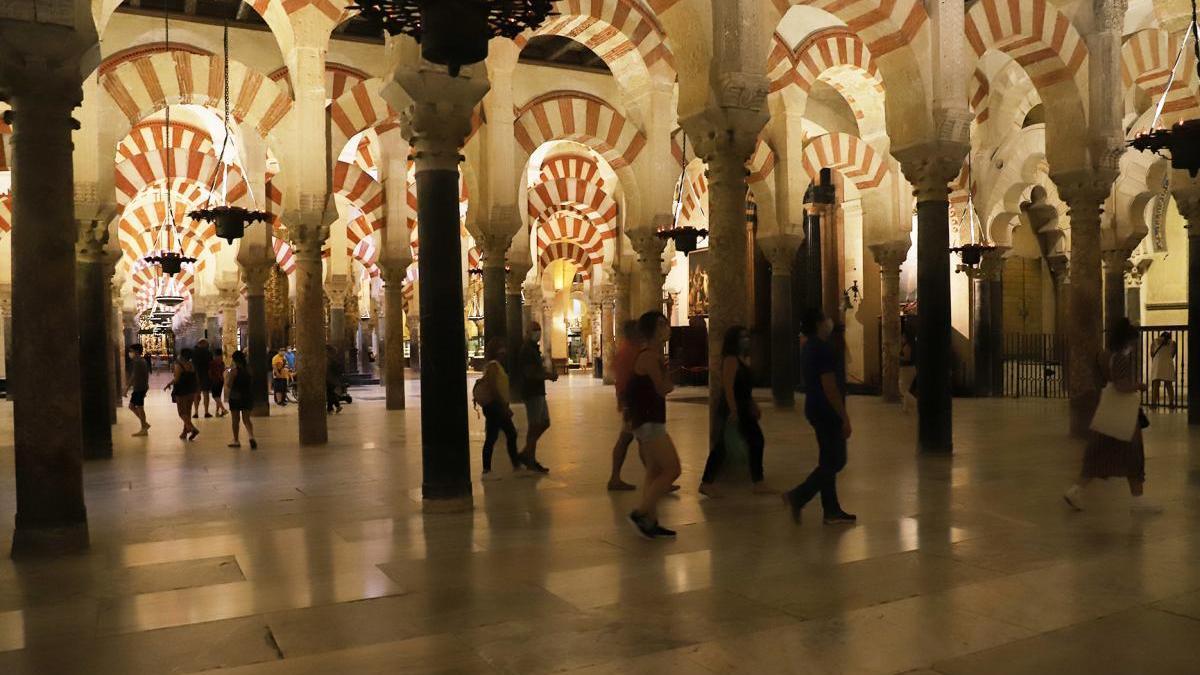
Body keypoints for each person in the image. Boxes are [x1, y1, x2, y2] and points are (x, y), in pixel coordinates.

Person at [1064, 318, 1162, 513]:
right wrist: (1138, 386)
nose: (1135, 345)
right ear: (1127, 339)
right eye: (1134, 341)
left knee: (1098, 455)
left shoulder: (1104, 355)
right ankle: (1138, 500)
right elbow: (1121, 385)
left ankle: (1076, 490)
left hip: (1107, 412)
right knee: (1133, 454)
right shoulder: (1121, 358)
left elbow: (1104, 381)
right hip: (1122, 414)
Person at [783, 309, 856, 525]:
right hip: (826, 410)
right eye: (824, 319)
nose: (828, 322)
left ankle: (831, 509)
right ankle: (798, 495)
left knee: (827, 460)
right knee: (837, 460)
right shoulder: (822, 348)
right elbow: (829, 385)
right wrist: (843, 416)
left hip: (814, 407)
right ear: (818, 324)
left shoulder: (808, 346)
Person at [700, 325, 770, 497]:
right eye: (742, 337)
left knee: (755, 441)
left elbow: (745, 388)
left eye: (747, 337)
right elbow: (728, 387)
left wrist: (752, 404)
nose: (746, 340)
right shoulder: (731, 360)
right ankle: (707, 482)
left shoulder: (742, 359)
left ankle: (758, 482)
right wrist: (733, 410)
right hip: (733, 407)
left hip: (744, 406)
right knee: (723, 446)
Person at [627, 311, 679, 540]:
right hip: (649, 422)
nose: (667, 328)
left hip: (648, 419)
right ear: (656, 329)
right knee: (672, 469)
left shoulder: (653, 355)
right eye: (663, 324)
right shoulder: (648, 356)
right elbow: (663, 388)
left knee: (654, 470)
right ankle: (641, 512)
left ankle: (651, 521)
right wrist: (669, 377)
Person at [477, 338, 520, 480]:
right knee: (495, 436)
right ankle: (487, 470)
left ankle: (516, 466)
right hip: (495, 407)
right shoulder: (494, 366)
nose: (505, 352)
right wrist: (503, 407)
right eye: (502, 349)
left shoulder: (496, 365)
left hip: (497, 407)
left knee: (507, 434)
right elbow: (494, 388)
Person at [518, 321, 557, 473]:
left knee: (545, 422)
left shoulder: (533, 349)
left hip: (539, 392)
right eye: (534, 329)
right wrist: (548, 376)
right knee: (534, 426)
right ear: (527, 332)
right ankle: (530, 460)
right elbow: (530, 374)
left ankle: (526, 453)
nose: (538, 332)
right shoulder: (527, 350)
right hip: (532, 393)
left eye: (539, 329)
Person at [607, 320, 641, 491]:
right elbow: (621, 380)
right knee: (626, 439)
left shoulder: (630, 349)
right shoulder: (628, 351)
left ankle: (658, 478)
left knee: (643, 440)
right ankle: (614, 478)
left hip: (634, 402)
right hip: (632, 402)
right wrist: (625, 403)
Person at [224, 350, 257, 450]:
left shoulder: (234, 371)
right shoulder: (249, 369)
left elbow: (229, 384)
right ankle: (251, 436)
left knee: (235, 419)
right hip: (247, 395)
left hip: (235, 396)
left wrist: (226, 375)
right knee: (246, 419)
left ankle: (236, 440)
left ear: (234, 360)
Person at [166, 348, 200, 441]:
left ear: (182, 355)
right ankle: (185, 432)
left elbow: (176, 379)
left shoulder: (179, 365)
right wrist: (197, 390)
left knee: (181, 412)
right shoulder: (192, 365)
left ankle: (193, 428)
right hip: (191, 391)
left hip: (181, 391)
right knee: (188, 412)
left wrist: (169, 384)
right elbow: (196, 378)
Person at [125, 344, 152, 436]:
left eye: (131, 351)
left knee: (140, 408)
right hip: (141, 387)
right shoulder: (142, 361)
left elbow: (133, 376)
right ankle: (145, 424)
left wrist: (126, 388)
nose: (130, 353)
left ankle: (144, 428)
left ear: (136, 351)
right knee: (132, 406)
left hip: (139, 388)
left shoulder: (138, 362)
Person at [1150, 331, 1176, 407]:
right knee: (1169, 384)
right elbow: (1172, 355)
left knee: (1156, 384)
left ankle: (1154, 403)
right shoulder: (1173, 343)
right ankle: (1171, 403)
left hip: (1157, 363)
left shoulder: (1155, 341)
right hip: (1168, 363)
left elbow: (1152, 354)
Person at [191, 338, 214, 418]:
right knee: (206, 394)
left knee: (196, 394)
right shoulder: (208, 353)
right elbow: (210, 365)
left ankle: (196, 412)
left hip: (196, 375)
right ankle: (206, 412)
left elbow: (192, 365)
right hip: (205, 375)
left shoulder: (193, 352)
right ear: (203, 344)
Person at [898, 326, 917, 413]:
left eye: (903, 337)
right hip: (908, 368)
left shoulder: (907, 346)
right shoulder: (908, 345)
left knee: (903, 389)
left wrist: (898, 357)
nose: (901, 338)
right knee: (906, 389)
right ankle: (905, 408)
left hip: (907, 369)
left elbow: (907, 358)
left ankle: (916, 404)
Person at [208, 348, 228, 418]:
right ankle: (217, 412)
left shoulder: (212, 363)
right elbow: (223, 370)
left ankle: (223, 409)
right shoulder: (222, 362)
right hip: (221, 380)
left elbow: (210, 372)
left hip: (214, 380)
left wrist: (210, 379)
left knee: (215, 396)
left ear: (215, 355)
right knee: (218, 396)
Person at [325, 344, 344, 414]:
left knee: (330, 393)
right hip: (333, 378)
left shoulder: (329, 358)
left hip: (330, 379)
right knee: (330, 393)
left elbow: (328, 369)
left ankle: (331, 408)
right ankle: (332, 408)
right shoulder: (333, 357)